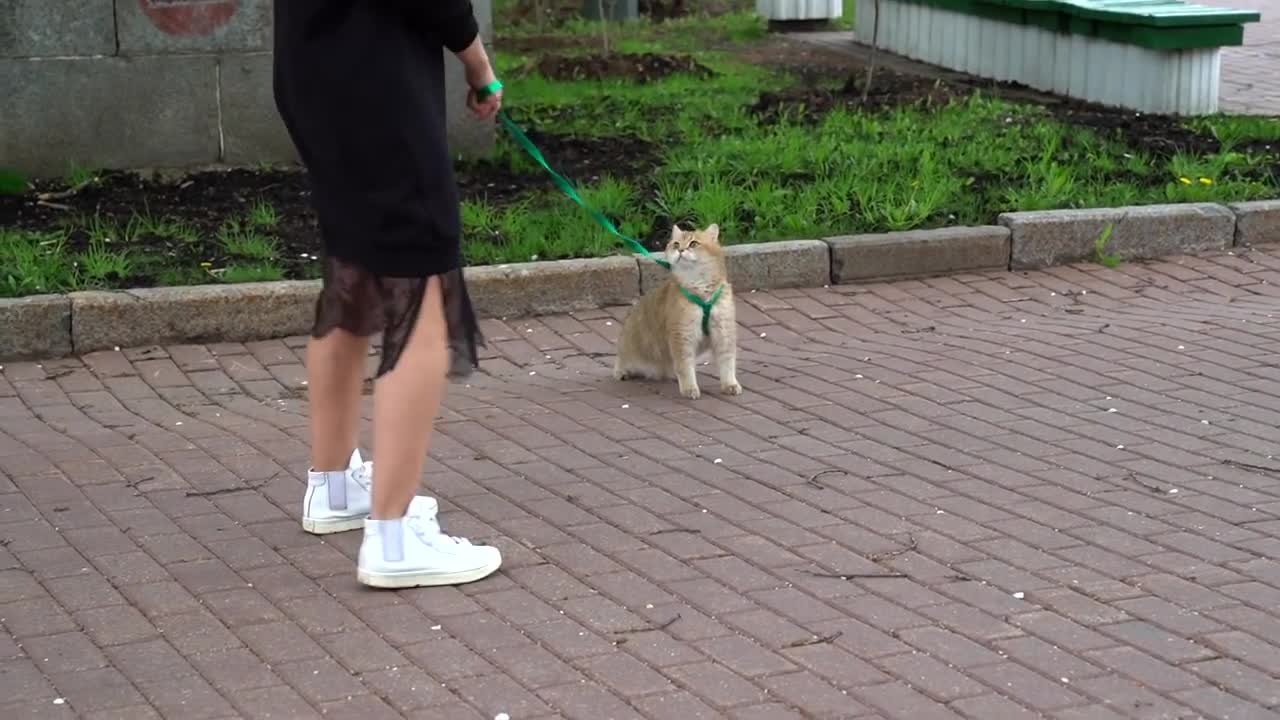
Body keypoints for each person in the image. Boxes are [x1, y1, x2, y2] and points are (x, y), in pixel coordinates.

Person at [272, 0, 504, 588]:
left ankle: (333, 488)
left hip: (309, 69)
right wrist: (478, 64)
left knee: (351, 272)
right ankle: (394, 539)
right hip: (381, 82)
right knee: (423, 279)